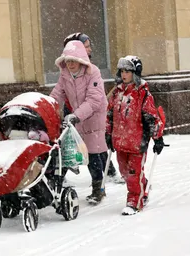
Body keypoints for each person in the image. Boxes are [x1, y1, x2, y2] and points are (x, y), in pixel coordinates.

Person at [106, 55, 166, 215]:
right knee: (125, 171)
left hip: (137, 142)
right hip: (120, 141)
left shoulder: (142, 94)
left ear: (135, 73)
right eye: (122, 71)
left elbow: (151, 117)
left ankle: (134, 201)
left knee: (133, 173)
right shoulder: (117, 93)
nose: (124, 74)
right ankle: (142, 186)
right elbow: (110, 114)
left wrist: (157, 137)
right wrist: (108, 133)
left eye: (128, 71)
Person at [50, 40, 108, 204]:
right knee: (67, 153)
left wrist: (77, 115)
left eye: (73, 61)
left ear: (81, 60)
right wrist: (46, 106)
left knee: (93, 154)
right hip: (77, 117)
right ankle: (57, 186)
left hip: (94, 118)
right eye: (67, 61)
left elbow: (94, 100)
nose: (70, 64)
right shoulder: (65, 75)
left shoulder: (93, 73)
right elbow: (57, 93)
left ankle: (98, 189)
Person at [62, 32, 122, 183]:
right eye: (86, 46)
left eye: (89, 46)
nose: (89, 50)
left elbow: (94, 97)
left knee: (95, 142)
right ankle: (60, 176)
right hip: (72, 110)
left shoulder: (91, 69)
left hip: (89, 112)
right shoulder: (69, 67)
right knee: (67, 142)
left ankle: (108, 173)